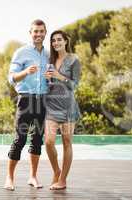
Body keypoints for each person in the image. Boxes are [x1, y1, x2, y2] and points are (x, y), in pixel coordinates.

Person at [4, 19, 49, 191]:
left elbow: (50, 80)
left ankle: (33, 177)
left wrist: (51, 77)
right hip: (26, 100)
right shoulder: (21, 52)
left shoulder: (48, 55)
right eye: (35, 31)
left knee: (37, 140)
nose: (38, 34)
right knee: (20, 139)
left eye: (41, 31)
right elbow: (11, 77)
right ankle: (9, 178)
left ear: (45, 33)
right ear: (30, 33)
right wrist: (26, 72)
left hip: (42, 100)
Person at [43, 30, 81, 190]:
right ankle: (56, 170)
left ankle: (63, 180)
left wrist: (59, 76)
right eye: (53, 41)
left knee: (67, 143)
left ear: (66, 41)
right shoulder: (50, 60)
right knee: (49, 142)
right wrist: (47, 80)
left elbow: (75, 85)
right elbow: (49, 85)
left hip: (67, 107)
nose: (56, 43)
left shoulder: (74, 60)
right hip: (51, 106)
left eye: (59, 40)